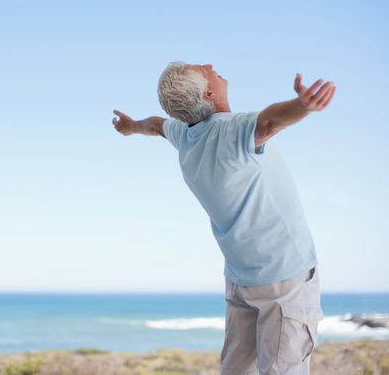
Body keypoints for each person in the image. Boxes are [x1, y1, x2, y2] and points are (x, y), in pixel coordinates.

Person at [112, 62, 336, 375]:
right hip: (284, 277)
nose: (210, 66)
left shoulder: (186, 135)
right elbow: (271, 121)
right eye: (203, 69)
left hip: (241, 278)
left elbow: (156, 125)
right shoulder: (232, 131)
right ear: (208, 93)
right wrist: (302, 106)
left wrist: (132, 126)